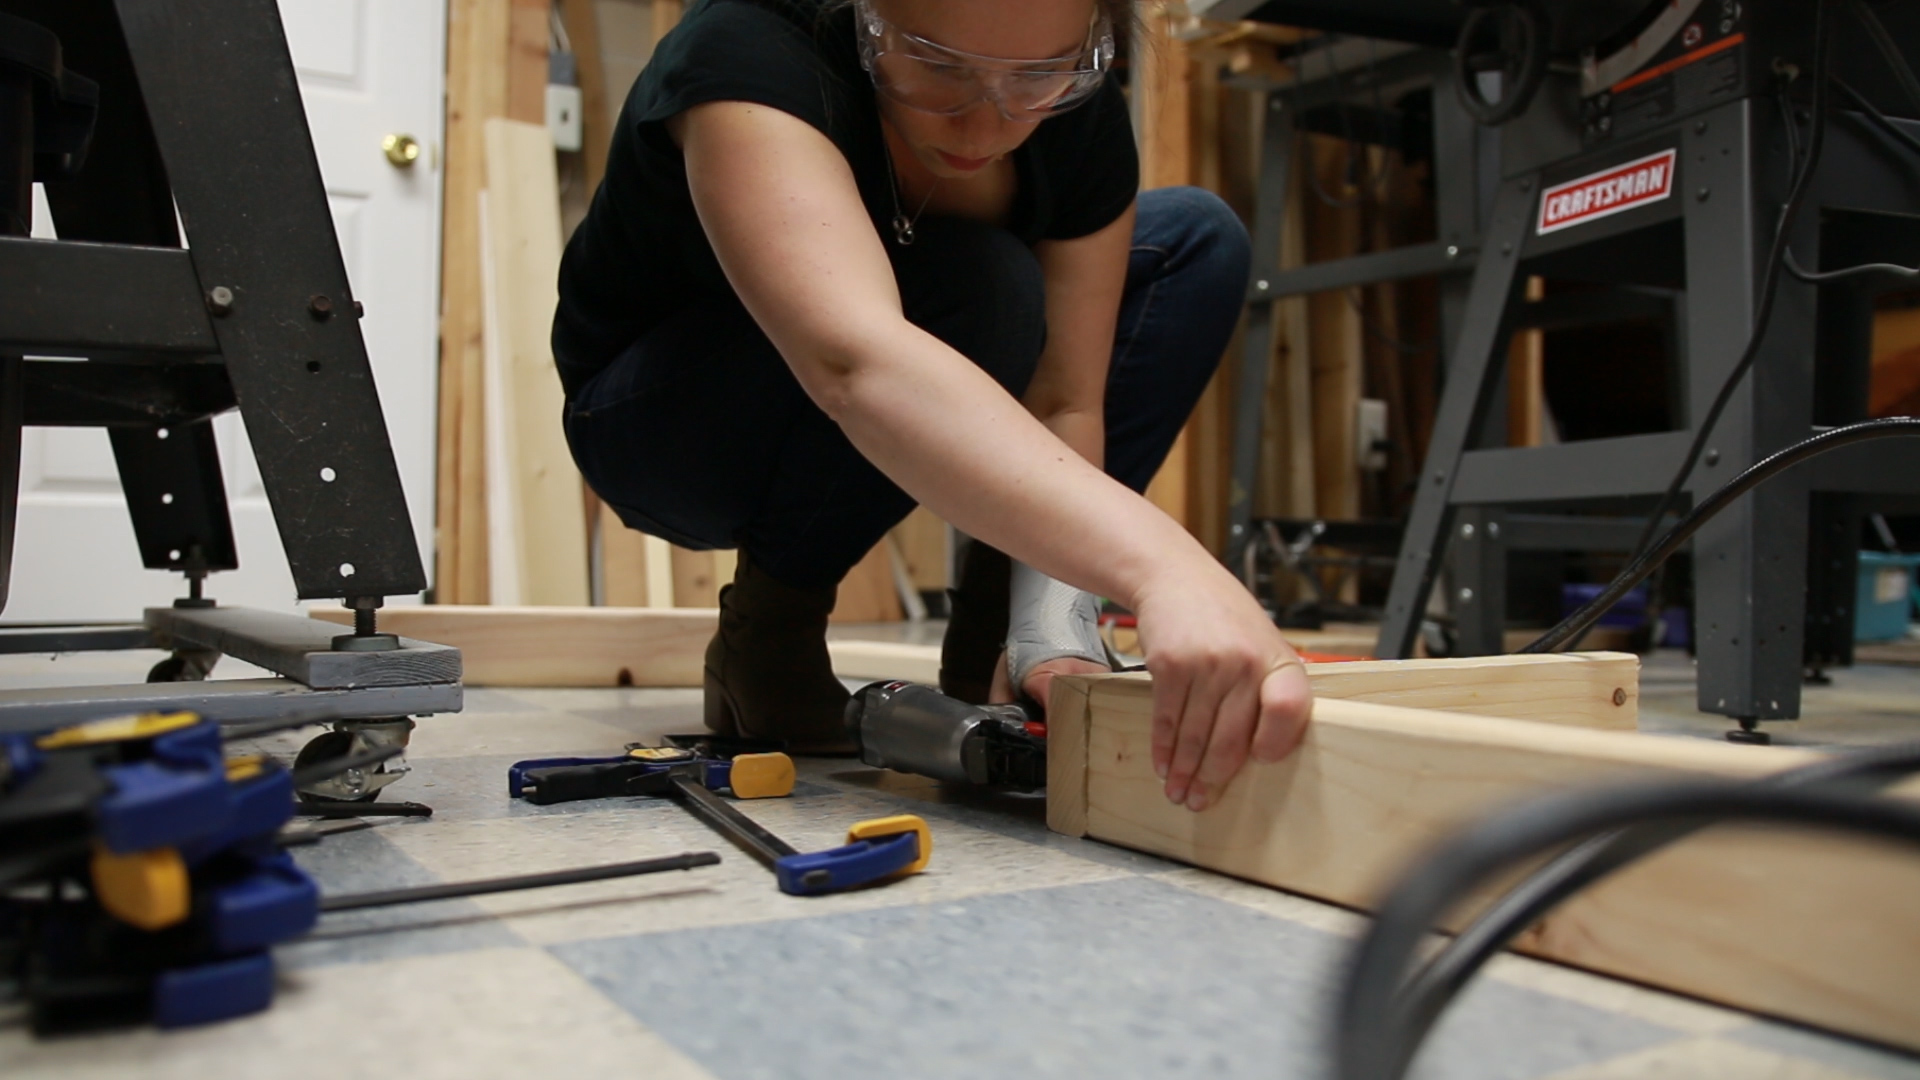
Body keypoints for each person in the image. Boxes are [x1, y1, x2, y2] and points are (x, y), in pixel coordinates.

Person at [553, 0, 1312, 812]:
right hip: (662, 427)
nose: (986, 123)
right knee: (981, 282)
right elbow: (856, 361)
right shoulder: (745, 50)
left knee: (1193, 239)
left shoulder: (1074, 114)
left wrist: (1048, 627)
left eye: (1039, 76)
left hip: (897, 341)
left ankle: (998, 653)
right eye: (940, 68)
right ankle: (767, 639)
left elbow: (1063, 400)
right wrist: (1169, 569)